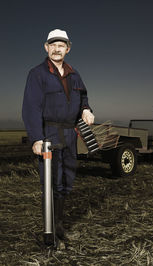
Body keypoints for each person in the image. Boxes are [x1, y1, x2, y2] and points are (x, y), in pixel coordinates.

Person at [22, 29, 94, 243]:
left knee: (66, 181)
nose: (56, 48)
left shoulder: (75, 74)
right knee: (51, 182)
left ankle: (59, 226)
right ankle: (49, 231)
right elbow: (31, 108)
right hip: (49, 135)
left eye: (61, 45)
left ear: (68, 48)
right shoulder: (37, 74)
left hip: (70, 135)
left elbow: (83, 96)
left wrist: (86, 109)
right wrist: (36, 138)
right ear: (46, 48)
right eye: (52, 45)